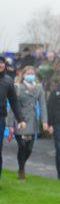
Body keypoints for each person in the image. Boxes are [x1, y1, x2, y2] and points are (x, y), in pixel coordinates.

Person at [9, 65, 48, 181]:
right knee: (22, 146)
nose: (30, 75)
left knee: (29, 149)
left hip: (32, 122)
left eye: (32, 73)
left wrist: (44, 121)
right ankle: (21, 169)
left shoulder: (39, 88)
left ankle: (22, 165)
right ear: (23, 74)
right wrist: (10, 124)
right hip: (20, 121)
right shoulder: (17, 87)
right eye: (28, 73)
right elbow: (12, 106)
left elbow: (43, 105)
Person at [0, 58, 27, 186]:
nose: (0, 65)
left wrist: (20, 119)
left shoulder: (8, 81)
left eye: (1, 62)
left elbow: (14, 102)